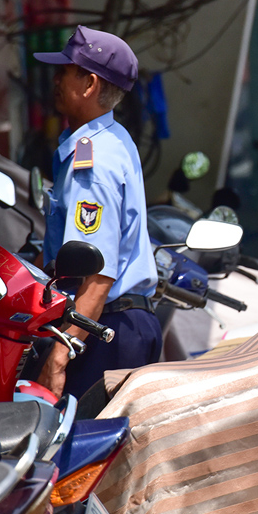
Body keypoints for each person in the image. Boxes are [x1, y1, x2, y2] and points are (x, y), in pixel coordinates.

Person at [32, 25, 161, 397]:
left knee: (82, 448)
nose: (55, 79)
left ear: (89, 85)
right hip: (114, 323)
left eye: (65, 71)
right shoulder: (110, 140)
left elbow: (96, 276)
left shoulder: (93, 161)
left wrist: (60, 355)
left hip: (104, 327)